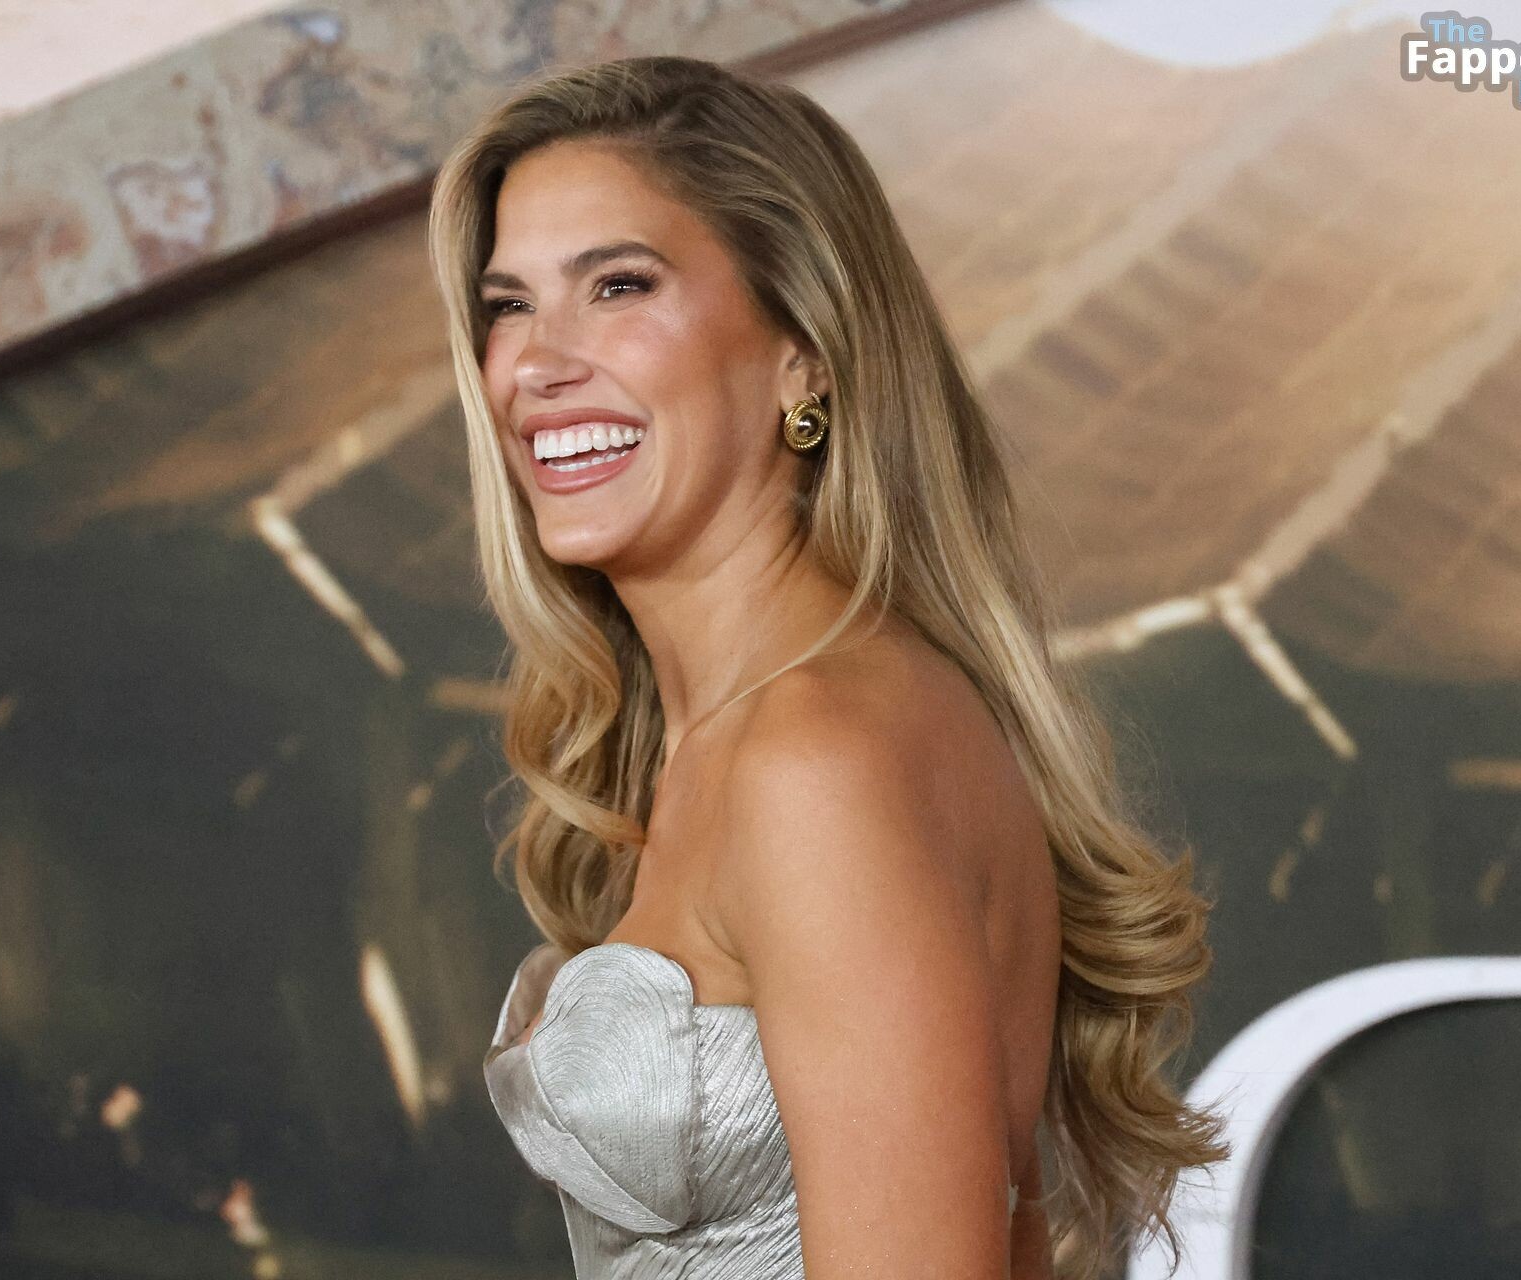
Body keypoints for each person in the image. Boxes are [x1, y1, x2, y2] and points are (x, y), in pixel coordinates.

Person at [426, 55, 1227, 1280]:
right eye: (509, 305)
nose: (536, 363)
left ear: (804, 350)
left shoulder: (816, 756)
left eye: (618, 286)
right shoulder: (745, 731)